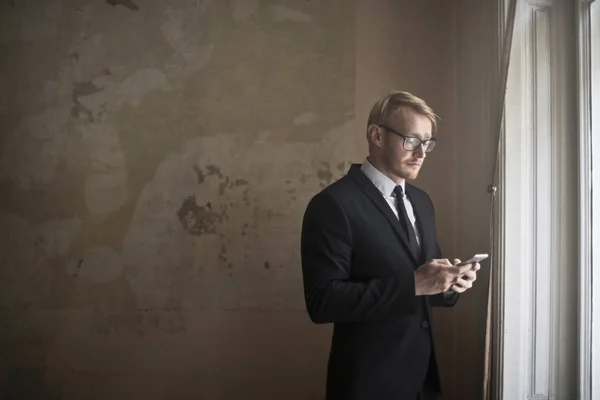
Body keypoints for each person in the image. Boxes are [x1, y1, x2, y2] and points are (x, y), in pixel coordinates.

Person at [300, 90, 481, 400]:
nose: (422, 153)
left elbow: (426, 285)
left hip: (424, 381)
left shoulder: (422, 202)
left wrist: (450, 283)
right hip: (367, 384)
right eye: (412, 140)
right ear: (377, 135)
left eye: (428, 143)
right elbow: (323, 302)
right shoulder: (333, 205)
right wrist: (414, 284)